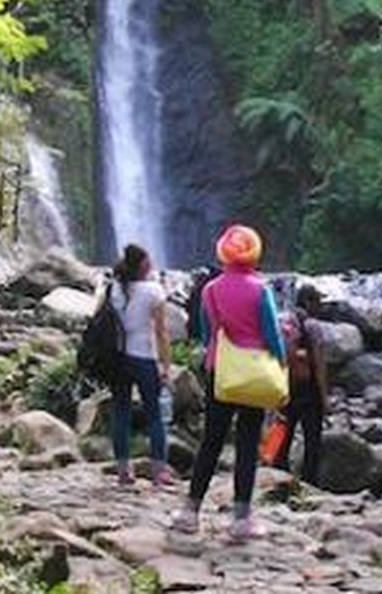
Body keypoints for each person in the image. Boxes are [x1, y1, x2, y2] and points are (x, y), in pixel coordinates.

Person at [175, 224, 287, 542]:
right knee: (248, 444)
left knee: (211, 440)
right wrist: (281, 364)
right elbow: (272, 335)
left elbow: (207, 333)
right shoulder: (260, 289)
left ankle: (190, 512)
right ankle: (241, 519)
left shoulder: (211, 290)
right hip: (253, 374)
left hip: (220, 370)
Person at [108, 243, 175, 488]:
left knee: (121, 413)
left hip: (118, 358)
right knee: (155, 414)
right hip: (144, 357)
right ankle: (159, 471)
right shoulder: (153, 290)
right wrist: (166, 365)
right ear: (144, 265)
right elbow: (161, 331)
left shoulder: (113, 288)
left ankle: (124, 470)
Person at [275, 284, 330, 487]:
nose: (320, 306)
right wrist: (324, 397)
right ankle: (309, 481)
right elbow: (319, 363)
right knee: (312, 438)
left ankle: (276, 471)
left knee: (283, 431)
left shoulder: (284, 322)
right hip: (308, 390)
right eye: (317, 301)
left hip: (285, 385)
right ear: (307, 302)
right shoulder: (312, 326)